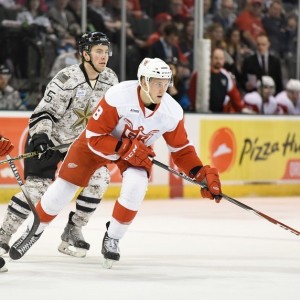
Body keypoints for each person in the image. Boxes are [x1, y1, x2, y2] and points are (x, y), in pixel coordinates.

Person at [9, 57, 222, 267]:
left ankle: (113, 237)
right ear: (143, 81)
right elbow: (94, 137)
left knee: (137, 186)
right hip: (98, 145)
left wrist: (200, 173)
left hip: (134, 153)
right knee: (64, 187)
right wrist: (124, 148)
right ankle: (33, 230)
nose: (162, 88)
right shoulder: (119, 96)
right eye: (157, 82)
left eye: (166, 83)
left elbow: (182, 150)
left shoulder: (172, 111)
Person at [0, 31, 119, 258]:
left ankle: (73, 230)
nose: (105, 56)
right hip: (50, 142)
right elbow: (43, 113)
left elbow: (115, 114)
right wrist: (41, 139)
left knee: (100, 179)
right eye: (99, 52)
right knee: (37, 189)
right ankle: (3, 236)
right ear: (85, 54)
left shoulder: (110, 79)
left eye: (106, 52)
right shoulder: (67, 79)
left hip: (81, 146)